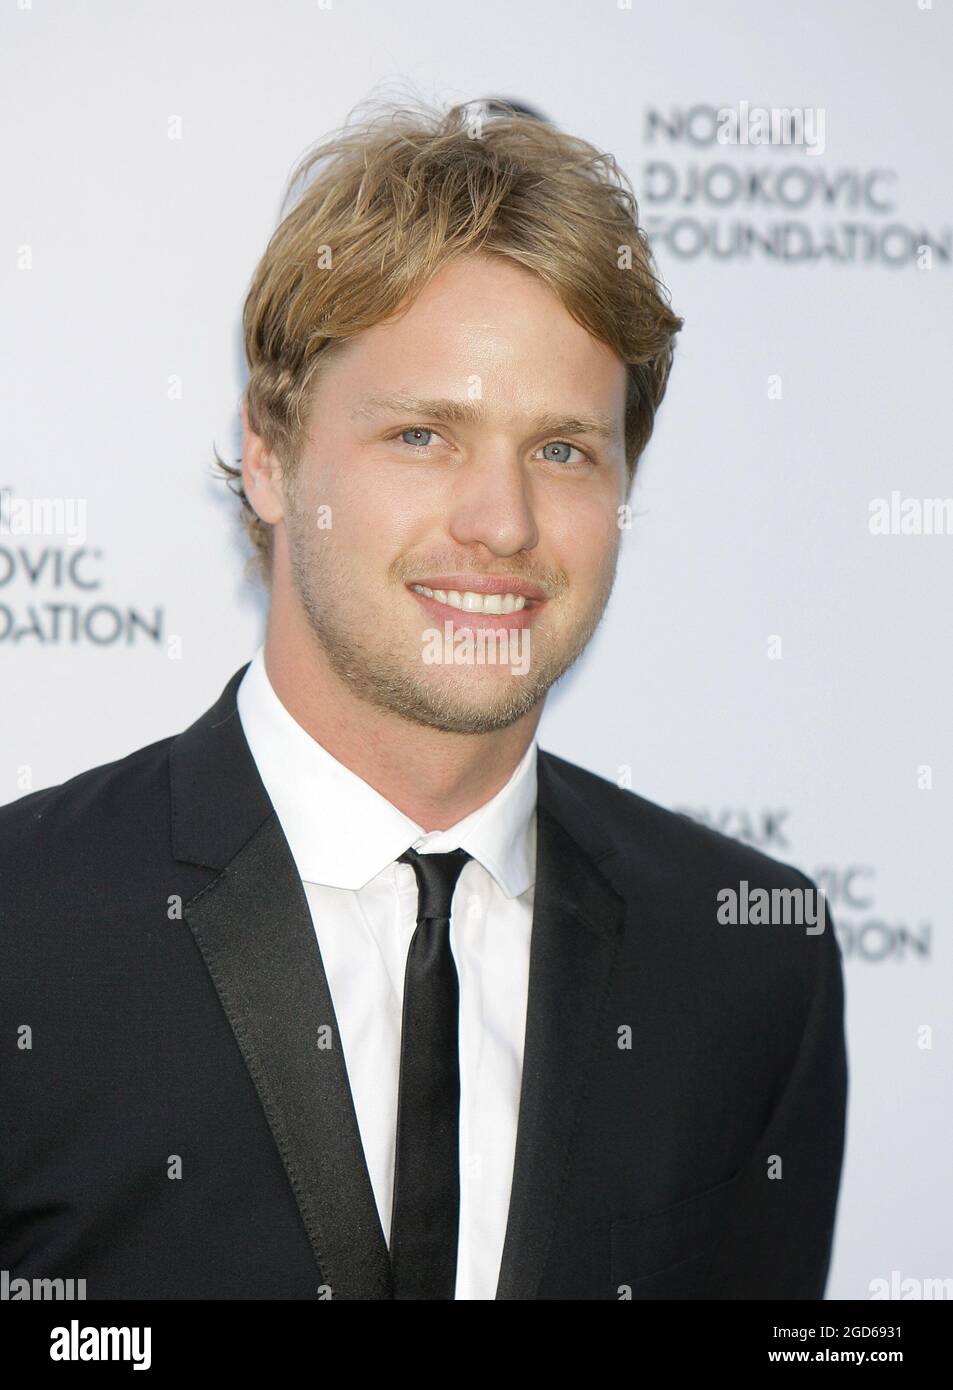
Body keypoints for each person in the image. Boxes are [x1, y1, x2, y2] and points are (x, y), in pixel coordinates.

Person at [0, 98, 847, 1300]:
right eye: (421, 436)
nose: (499, 521)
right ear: (269, 455)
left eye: (561, 450)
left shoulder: (747, 962)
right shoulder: (24, 932)